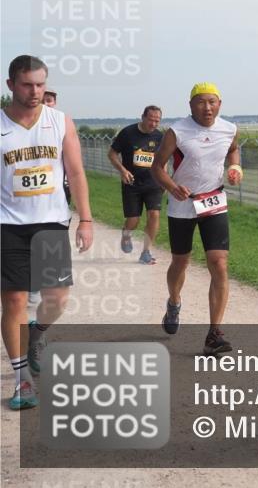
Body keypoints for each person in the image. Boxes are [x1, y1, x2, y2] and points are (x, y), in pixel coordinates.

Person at [1, 56, 94, 410]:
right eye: (27, 84)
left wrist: (85, 219)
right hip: (7, 225)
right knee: (13, 300)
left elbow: (77, 173)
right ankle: (21, 379)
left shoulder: (59, 122)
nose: (35, 91)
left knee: (56, 300)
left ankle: (36, 336)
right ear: (10, 85)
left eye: (40, 84)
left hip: (50, 223)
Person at [151, 84, 241, 356]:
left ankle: (214, 333)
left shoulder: (229, 129)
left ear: (220, 104)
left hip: (214, 201)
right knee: (181, 261)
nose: (207, 107)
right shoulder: (177, 132)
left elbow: (233, 150)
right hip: (183, 205)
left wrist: (235, 166)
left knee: (219, 262)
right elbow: (157, 167)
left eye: (212, 102)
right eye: (201, 102)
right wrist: (171, 187)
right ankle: (174, 301)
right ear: (191, 105)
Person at [108, 106, 165, 265]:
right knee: (133, 220)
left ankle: (146, 252)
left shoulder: (160, 137)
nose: (153, 124)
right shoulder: (127, 133)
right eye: (151, 119)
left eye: (157, 121)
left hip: (153, 182)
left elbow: (162, 161)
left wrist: (163, 180)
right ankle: (126, 234)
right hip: (131, 183)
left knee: (154, 215)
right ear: (143, 117)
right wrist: (123, 171)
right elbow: (111, 154)